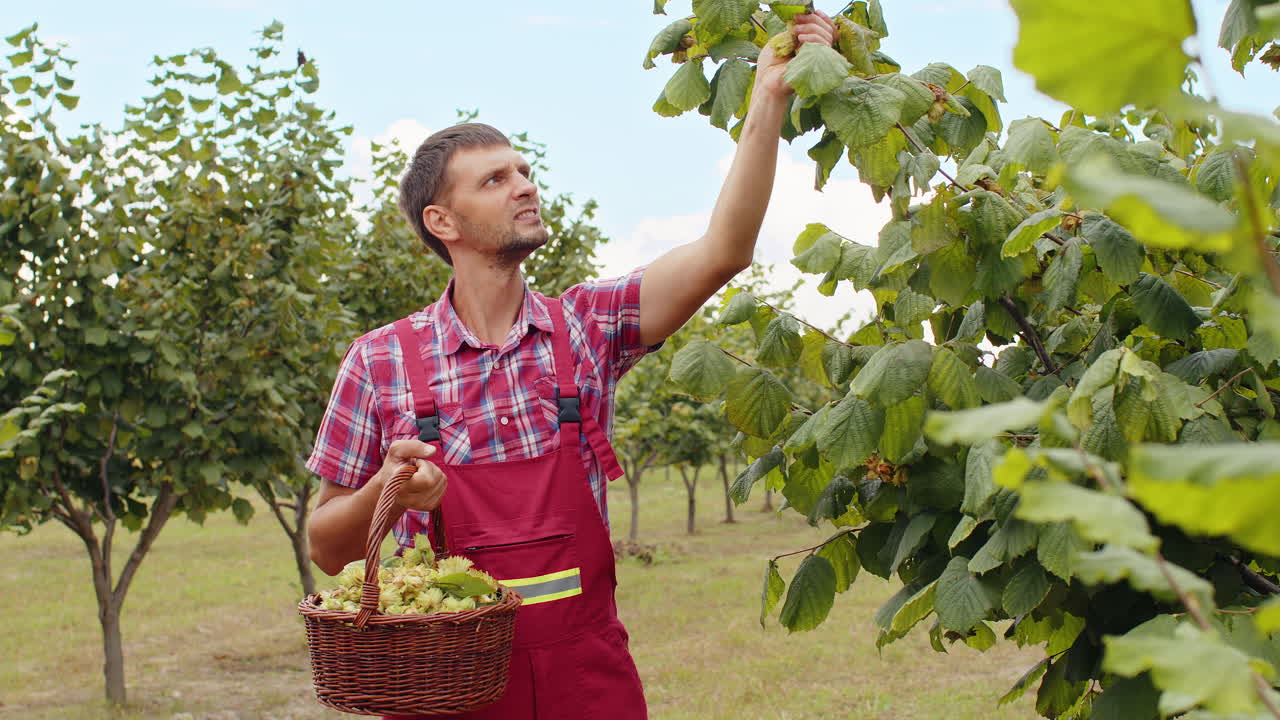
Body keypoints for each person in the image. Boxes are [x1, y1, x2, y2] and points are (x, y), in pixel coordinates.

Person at [305, 11, 837, 720]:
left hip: (585, 683)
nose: (524, 185)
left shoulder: (587, 329)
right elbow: (326, 547)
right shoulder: (380, 361)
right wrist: (393, 488)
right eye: (495, 180)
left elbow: (723, 251)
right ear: (444, 222)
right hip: (447, 689)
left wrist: (768, 98)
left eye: (524, 170)